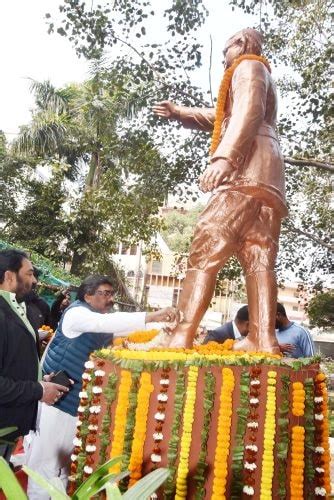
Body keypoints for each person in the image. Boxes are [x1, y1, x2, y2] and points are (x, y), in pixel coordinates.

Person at [153, 28, 287, 353]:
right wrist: (181, 113)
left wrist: (225, 158)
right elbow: (224, 117)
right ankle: (262, 338)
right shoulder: (257, 73)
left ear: (240, 45)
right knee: (258, 257)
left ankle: (180, 334)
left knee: (205, 247)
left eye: (225, 51)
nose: (222, 60)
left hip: (246, 170)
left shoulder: (248, 66)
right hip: (269, 178)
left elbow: (246, 113)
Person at [26, 274, 179, 498]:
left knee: (66, 465)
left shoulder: (99, 321)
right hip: (55, 403)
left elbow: (122, 328)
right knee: (45, 464)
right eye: (105, 293)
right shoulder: (77, 314)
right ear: (87, 295)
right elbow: (107, 323)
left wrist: (163, 328)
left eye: (111, 294)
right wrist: (152, 315)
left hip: (76, 403)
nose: (110, 299)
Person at [0, 250, 69, 462]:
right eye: (29, 274)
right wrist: (38, 389)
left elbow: (11, 360)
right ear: (10, 276)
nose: (35, 280)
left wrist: (40, 381)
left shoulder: (17, 309)